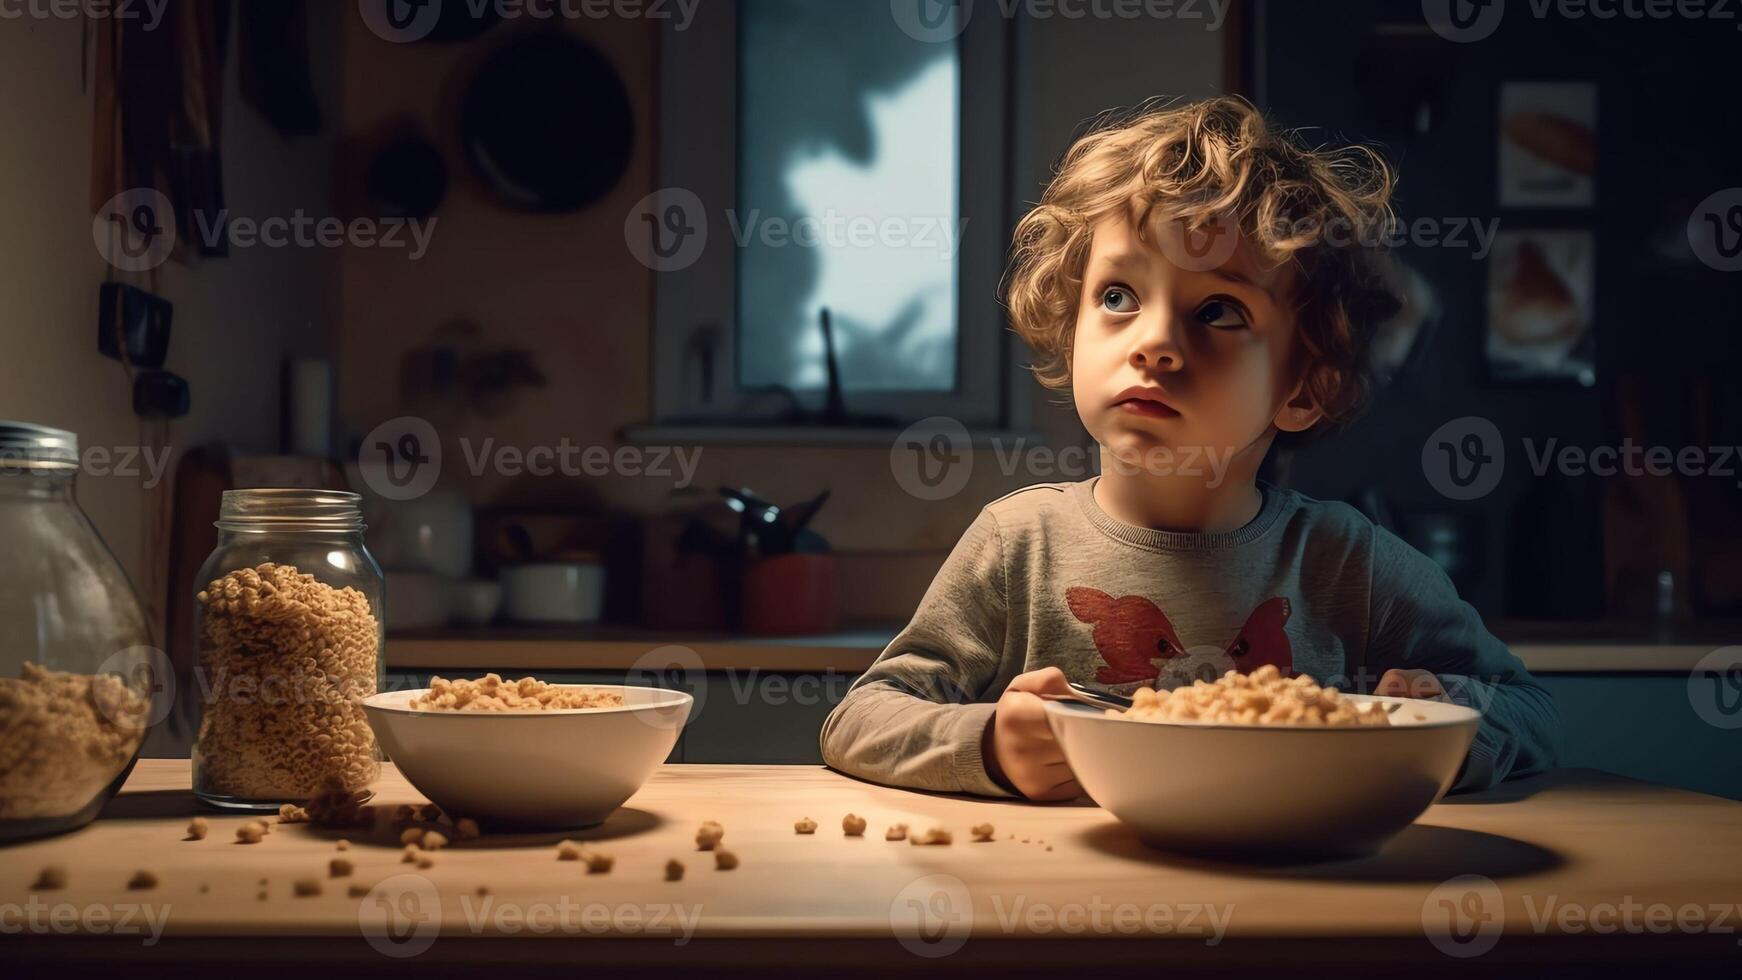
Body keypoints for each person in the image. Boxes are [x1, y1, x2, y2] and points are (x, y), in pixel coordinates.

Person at [819, 96, 1558, 801]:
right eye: (1118, 297)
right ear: (1070, 328)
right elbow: (862, 719)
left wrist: (1445, 723)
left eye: (1217, 310)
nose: (1156, 343)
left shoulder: (1349, 566)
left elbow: (1529, 708)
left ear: (1305, 387)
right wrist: (989, 746)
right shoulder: (1020, 547)